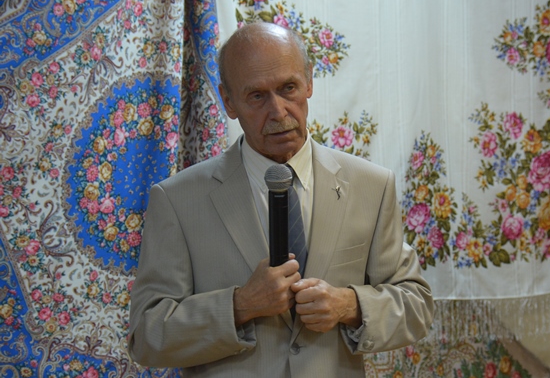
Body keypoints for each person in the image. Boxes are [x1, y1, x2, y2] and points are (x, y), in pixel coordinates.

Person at [127, 22, 434, 377]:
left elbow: (416, 308)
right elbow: (147, 336)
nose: (278, 111)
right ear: (229, 101)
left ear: (309, 83)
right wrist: (240, 306)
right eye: (257, 96)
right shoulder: (177, 200)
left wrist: (349, 304)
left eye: (288, 88)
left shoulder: (371, 186)